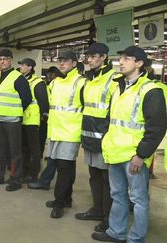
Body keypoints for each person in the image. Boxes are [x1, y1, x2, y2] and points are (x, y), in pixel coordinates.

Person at [93, 46, 167, 243]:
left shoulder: (151, 90)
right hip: (115, 152)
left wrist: (141, 155)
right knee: (117, 195)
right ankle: (116, 232)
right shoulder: (119, 87)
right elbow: (113, 121)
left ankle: (136, 238)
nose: (121, 62)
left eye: (127, 58)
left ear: (139, 63)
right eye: (121, 58)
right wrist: (107, 144)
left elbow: (157, 127)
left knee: (139, 199)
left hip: (133, 156)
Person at [75, 43, 119, 233]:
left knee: (107, 179)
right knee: (94, 176)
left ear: (103, 57)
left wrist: (107, 135)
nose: (89, 60)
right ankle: (97, 209)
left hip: (104, 137)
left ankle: (108, 218)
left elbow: (114, 109)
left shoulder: (115, 79)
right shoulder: (90, 79)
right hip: (89, 136)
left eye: (93, 57)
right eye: (88, 57)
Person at [0, 49, 32, 192]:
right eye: (0, 59)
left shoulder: (18, 78)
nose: (2, 61)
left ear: (11, 60)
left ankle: (16, 180)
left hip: (12, 120)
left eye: (5, 59)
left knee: (15, 152)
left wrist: (15, 110)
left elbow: (27, 99)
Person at [45, 50, 86, 218]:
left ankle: (59, 203)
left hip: (70, 132)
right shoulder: (55, 83)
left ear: (74, 63)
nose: (62, 63)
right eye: (60, 60)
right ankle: (66, 198)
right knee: (66, 168)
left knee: (63, 169)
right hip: (55, 130)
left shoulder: (81, 82)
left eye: (66, 61)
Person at [18, 58, 49, 183]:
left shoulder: (38, 82)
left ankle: (34, 173)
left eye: (23, 65)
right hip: (22, 119)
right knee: (24, 148)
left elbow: (43, 102)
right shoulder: (22, 80)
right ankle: (25, 172)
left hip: (33, 120)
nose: (21, 67)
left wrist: (43, 117)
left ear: (30, 67)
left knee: (34, 149)